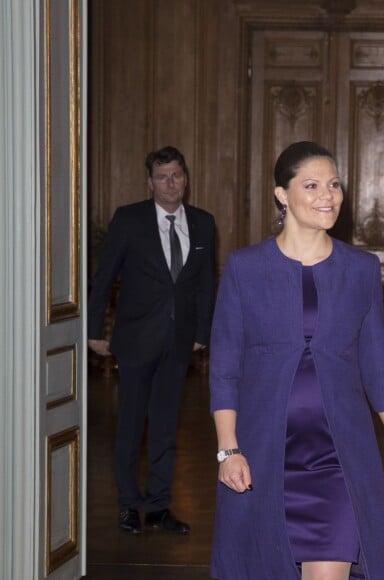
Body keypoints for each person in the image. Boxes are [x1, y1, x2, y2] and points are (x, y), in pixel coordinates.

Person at [209, 141, 384, 579]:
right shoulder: (245, 268)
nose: (328, 195)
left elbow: (377, 364)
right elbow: (225, 367)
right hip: (263, 455)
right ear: (282, 194)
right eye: (313, 185)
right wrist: (229, 450)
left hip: (338, 456)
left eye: (334, 185)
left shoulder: (361, 269)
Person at [88, 145, 216, 535]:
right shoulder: (129, 220)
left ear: (186, 179)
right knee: (129, 428)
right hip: (135, 341)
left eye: (177, 175)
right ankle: (129, 506)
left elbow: (206, 284)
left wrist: (201, 333)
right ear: (150, 183)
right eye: (163, 176)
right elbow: (105, 276)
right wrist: (94, 331)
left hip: (178, 345)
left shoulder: (203, 223)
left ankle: (159, 508)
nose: (171, 183)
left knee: (164, 428)